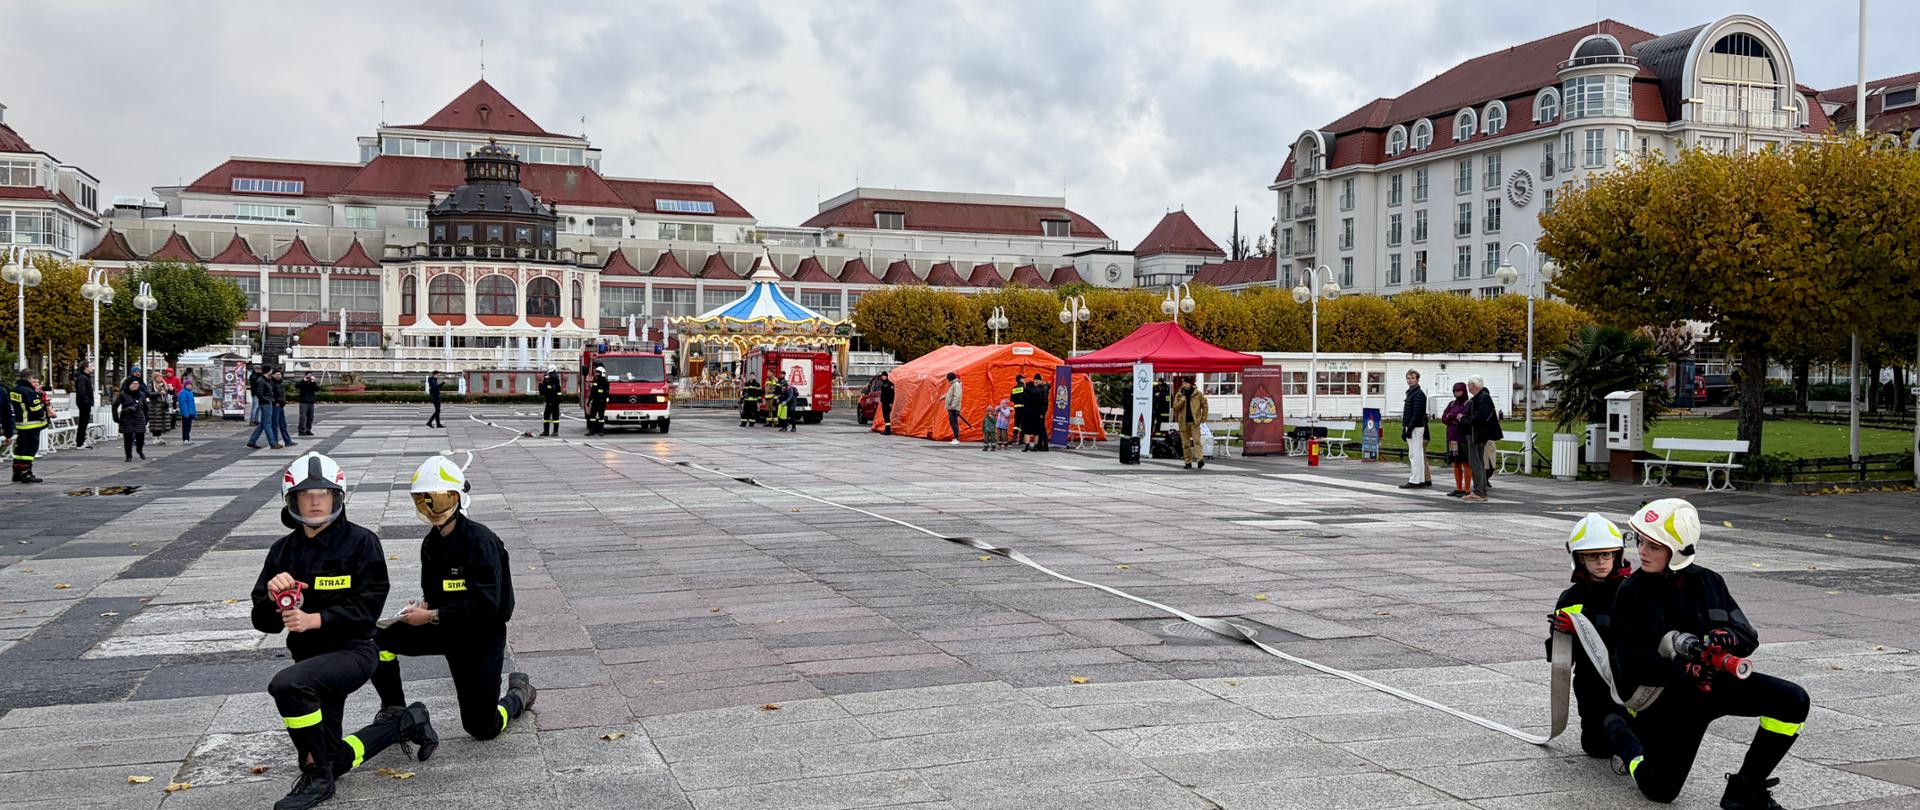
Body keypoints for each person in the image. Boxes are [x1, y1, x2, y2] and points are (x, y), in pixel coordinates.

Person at [1609, 498, 1810, 810]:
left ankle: (1746, 787)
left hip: (1714, 685)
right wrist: (1681, 672)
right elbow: (1628, 661)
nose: (1643, 552)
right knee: (1660, 790)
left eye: (1653, 545)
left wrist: (1726, 638)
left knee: (1793, 700)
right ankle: (1625, 739)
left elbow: (1747, 635)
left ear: (1677, 550)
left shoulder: (1709, 582)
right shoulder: (1632, 591)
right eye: (1641, 541)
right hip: (1667, 699)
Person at [354, 456, 533, 769]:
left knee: (482, 727)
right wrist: (423, 607)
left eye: (439, 499)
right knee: (377, 638)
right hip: (445, 627)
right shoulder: (431, 543)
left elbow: (486, 605)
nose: (432, 509)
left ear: (458, 497)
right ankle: (395, 709)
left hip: (481, 636)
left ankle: (518, 695)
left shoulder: (482, 541)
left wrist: (434, 615)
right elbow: (437, 593)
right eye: (425, 501)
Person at [251, 452, 400, 810]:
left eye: (323, 493)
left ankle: (318, 782)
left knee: (287, 684)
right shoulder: (281, 552)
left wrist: (314, 619)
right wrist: (274, 599)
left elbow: (369, 608)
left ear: (337, 496)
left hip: (353, 652)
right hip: (309, 658)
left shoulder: (362, 542)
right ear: (293, 499)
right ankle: (403, 723)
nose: (315, 501)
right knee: (330, 755)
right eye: (306, 494)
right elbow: (264, 622)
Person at [1547, 513, 1642, 771]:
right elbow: (1557, 657)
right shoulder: (1571, 597)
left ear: (1618, 555)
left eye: (1607, 554)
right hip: (1591, 682)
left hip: (1628, 680)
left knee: (1631, 731)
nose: (1601, 562)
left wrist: (1583, 626)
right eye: (1592, 556)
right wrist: (1560, 634)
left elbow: (1634, 635)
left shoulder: (1632, 591)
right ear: (1579, 558)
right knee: (1596, 748)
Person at [4, 370, 50, 483]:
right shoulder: (29, 391)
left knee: (20, 449)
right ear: (29, 378)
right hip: (31, 424)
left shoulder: (14, 390)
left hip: (20, 424)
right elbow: (35, 408)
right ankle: (26, 473)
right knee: (30, 450)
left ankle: (17, 472)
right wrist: (44, 415)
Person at [1463, 376, 1502, 502]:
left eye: (1469, 385)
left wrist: (1464, 419)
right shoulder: (1481, 397)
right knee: (1478, 462)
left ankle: (1479, 491)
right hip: (1478, 434)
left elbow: (1481, 416)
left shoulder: (1483, 397)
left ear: (1473, 386)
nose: (1468, 387)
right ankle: (1480, 490)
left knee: (1476, 462)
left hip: (1478, 434)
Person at [1400, 370, 1432, 489]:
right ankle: (1420, 479)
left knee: (1415, 454)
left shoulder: (1418, 394)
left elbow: (1417, 413)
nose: (1410, 380)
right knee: (1417, 454)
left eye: (1412, 378)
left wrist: (1409, 428)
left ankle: (1415, 480)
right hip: (1413, 426)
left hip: (1416, 427)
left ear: (1417, 379)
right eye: (1408, 378)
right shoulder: (1412, 393)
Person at [1440, 382, 1471, 497]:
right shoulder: (1452, 403)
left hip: (1462, 437)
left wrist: (1451, 417)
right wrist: (1452, 418)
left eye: (1459, 391)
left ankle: (1467, 489)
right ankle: (1458, 488)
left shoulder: (1468, 403)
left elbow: (1464, 417)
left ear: (1464, 391)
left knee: (1466, 463)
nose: (1457, 393)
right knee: (1456, 463)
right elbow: (1444, 417)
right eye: (1455, 391)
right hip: (1451, 437)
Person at [1173, 377, 1209, 470]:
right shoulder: (1179, 394)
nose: (1184, 385)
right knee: (1185, 444)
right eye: (1183, 383)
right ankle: (1188, 462)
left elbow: (1204, 404)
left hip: (1194, 422)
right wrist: (1182, 401)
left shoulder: (1198, 394)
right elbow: (1175, 408)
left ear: (1190, 384)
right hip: (1183, 423)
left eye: (1186, 383)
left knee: (1197, 441)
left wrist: (1204, 417)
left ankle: (1200, 459)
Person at [114, 377, 149, 462]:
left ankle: (139, 450)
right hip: (127, 417)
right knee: (128, 438)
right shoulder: (123, 394)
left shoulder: (141, 394)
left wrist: (147, 417)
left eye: (137, 384)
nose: (136, 385)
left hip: (139, 417)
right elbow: (115, 405)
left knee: (141, 437)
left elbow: (145, 407)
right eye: (134, 384)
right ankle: (128, 455)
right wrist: (116, 418)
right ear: (129, 384)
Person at [249, 367, 281, 449]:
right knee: (267, 424)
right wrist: (267, 400)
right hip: (265, 404)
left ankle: (252, 440)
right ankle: (273, 443)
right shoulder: (261, 380)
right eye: (271, 371)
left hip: (267, 402)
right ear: (268, 371)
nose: (272, 372)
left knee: (263, 424)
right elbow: (259, 393)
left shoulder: (266, 380)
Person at [145, 371, 175, 447]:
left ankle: (160, 437)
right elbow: (148, 393)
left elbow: (169, 392)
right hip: (154, 406)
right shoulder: (151, 384)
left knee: (162, 423)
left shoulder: (164, 384)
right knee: (155, 423)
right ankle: (155, 438)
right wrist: (159, 393)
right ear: (155, 378)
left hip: (163, 406)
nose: (160, 378)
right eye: (158, 377)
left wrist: (171, 389)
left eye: (161, 376)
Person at [271, 368, 296, 447]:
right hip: (275, 406)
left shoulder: (281, 383)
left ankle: (287, 441)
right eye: (276, 374)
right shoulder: (271, 383)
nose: (278, 376)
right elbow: (270, 395)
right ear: (273, 375)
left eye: (279, 374)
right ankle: (275, 442)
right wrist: (275, 402)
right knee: (274, 425)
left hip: (281, 405)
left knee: (283, 424)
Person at [73, 361, 95, 449]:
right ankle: (80, 442)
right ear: (85, 368)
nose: (92, 368)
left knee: (84, 422)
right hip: (84, 403)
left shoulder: (84, 377)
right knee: (83, 422)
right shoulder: (82, 378)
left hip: (84, 402)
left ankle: (81, 441)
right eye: (90, 366)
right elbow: (82, 391)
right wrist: (87, 401)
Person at [1028, 374, 1052, 452]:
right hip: (1038, 410)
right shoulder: (1039, 388)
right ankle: (1039, 445)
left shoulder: (1044, 388)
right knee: (1039, 428)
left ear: (1041, 380)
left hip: (1041, 411)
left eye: (1037, 380)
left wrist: (1042, 412)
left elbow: (1045, 402)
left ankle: (1045, 446)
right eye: (1034, 380)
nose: (1035, 382)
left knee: (1042, 428)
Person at [538, 368, 563, 437]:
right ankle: (547, 431)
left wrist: (546, 383)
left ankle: (554, 431)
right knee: (547, 416)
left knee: (554, 417)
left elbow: (553, 390)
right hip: (550, 402)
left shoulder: (554, 380)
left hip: (553, 402)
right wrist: (541, 384)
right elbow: (543, 391)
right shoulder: (550, 380)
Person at [584, 366, 608, 435]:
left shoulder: (605, 382)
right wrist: (589, 401)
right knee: (592, 417)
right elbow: (592, 392)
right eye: (596, 373)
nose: (597, 374)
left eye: (598, 373)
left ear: (602, 373)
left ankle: (601, 431)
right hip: (595, 402)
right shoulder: (595, 381)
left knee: (601, 417)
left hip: (601, 402)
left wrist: (600, 391)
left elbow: (606, 392)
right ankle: (592, 430)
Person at [296, 372, 321, 436]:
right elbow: (297, 386)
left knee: (310, 417)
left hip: (311, 402)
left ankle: (308, 430)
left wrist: (313, 382)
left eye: (310, 376)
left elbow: (317, 389)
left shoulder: (312, 383)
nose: (309, 377)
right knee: (303, 417)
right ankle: (301, 430)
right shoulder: (302, 382)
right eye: (308, 376)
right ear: (305, 376)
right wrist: (303, 381)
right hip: (303, 402)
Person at [177, 372, 199, 445]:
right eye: (188, 385)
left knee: (188, 426)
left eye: (190, 385)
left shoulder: (190, 393)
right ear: (185, 386)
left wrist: (194, 413)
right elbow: (183, 404)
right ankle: (185, 439)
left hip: (190, 412)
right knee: (185, 426)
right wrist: (185, 413)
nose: (189, 386)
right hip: (186, 413)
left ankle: (188, 438)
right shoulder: (183, 393)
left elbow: (192, 404)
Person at [943, 372, 963, 445]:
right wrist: (944, 397)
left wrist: (953, 406)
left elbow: (957, 396)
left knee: (954, 423)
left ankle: (956, 438)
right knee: (952, 422)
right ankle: (955, 438)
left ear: (950, 379)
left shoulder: (956, 385)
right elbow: (950, 394)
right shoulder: (954, 385)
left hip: (953, 408)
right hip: (951, 407)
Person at [1009, 375, 1026, 449]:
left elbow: (1011, 398)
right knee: (1023, 423)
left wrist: (1016, 401)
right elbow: (1026, 397)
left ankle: (1015, 437)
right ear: (1020, 379)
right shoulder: (1023, 387)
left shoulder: (1014, 388)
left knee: (1016, 423)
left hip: (1016, 407)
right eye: (1023, 379)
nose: (1024, 380)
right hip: (1023, 407)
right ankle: (1021, 440)